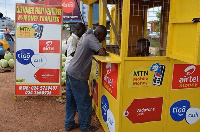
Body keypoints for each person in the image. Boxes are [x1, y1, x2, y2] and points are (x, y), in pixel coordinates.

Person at [65, 25, 107, 132]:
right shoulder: (92, 38)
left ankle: (69, 124)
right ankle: (85, 127)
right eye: (103, 36)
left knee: (71, 102)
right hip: (78, 76)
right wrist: (100, 48)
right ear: (98, 34)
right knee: (85, 103)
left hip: (70, 71)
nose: (103, 39)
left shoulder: (85, 35)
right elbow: (102, 52)